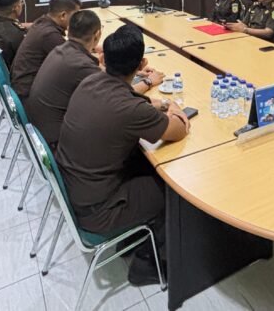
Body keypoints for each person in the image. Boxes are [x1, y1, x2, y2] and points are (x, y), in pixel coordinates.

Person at [56, 24, 189, 286]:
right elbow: (178, 130)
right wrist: (175, 108)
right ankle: (148, 265)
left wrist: (159, 103)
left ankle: (134, 237)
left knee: (144, 162)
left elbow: (129, 98)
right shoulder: (130, 109)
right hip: (99, 211)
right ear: (141, 65)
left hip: (78, 189)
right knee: (175, 189)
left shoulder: (90, 81)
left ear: (104, 58)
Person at [26, 10, 164, 147]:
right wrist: (149, 81)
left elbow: (107, 76)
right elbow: (121, 96)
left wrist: (133, 69)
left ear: (69, 30)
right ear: (97, 34)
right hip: (56, 141)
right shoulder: (82, 65)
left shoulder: (62, 49)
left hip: (41, 131)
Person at [10, 0, 80, 100]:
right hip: (29, 95)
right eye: (75, 16)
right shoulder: (50, 35)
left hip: (23, 85)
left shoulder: (42, 21)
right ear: (63, 15)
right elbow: (75, 62)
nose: (77, 20)